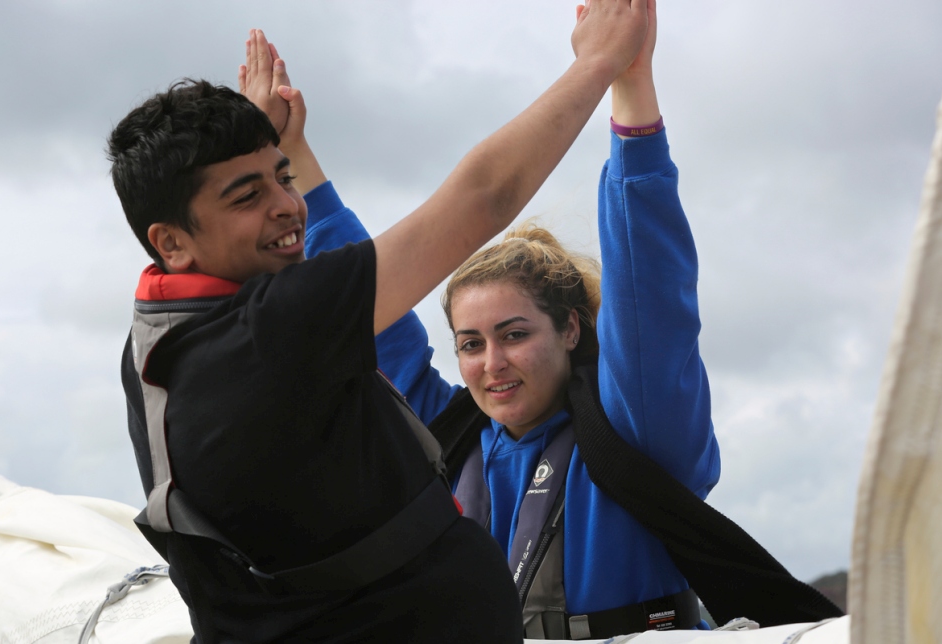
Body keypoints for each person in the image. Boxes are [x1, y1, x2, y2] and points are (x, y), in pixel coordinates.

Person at [111, 4, 650, 643]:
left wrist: (279, 150)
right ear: (171, 242)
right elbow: (484, 196)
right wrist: (600, 64)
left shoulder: (160, 341)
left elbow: (360, 306)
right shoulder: (267, 334)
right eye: (246, 196)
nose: (288, 208)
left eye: (282, 178)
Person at [278, 1, 718, 639]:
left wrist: (631, 84)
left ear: (570, 329)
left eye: (515, 334)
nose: (492, 363)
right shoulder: (448, 440)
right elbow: (366, 317)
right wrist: (295, 157)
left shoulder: (639, 430)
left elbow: (652, 294)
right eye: (470, 344)